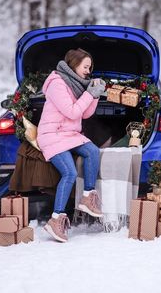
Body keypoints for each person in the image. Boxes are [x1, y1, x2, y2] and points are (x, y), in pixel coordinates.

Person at [37, 48, 106, 243]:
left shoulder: (76, 84)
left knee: (92, 150)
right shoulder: (57, 83)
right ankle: (55, 219)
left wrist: (95, 95)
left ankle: (87, 196)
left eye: (90, 67)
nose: (88, 71)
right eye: (85, 66)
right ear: (74, 65)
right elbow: (72, 112)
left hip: (69, 134)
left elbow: (85, 114)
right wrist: (89, 94)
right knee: (70, 173)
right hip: (52, 134)